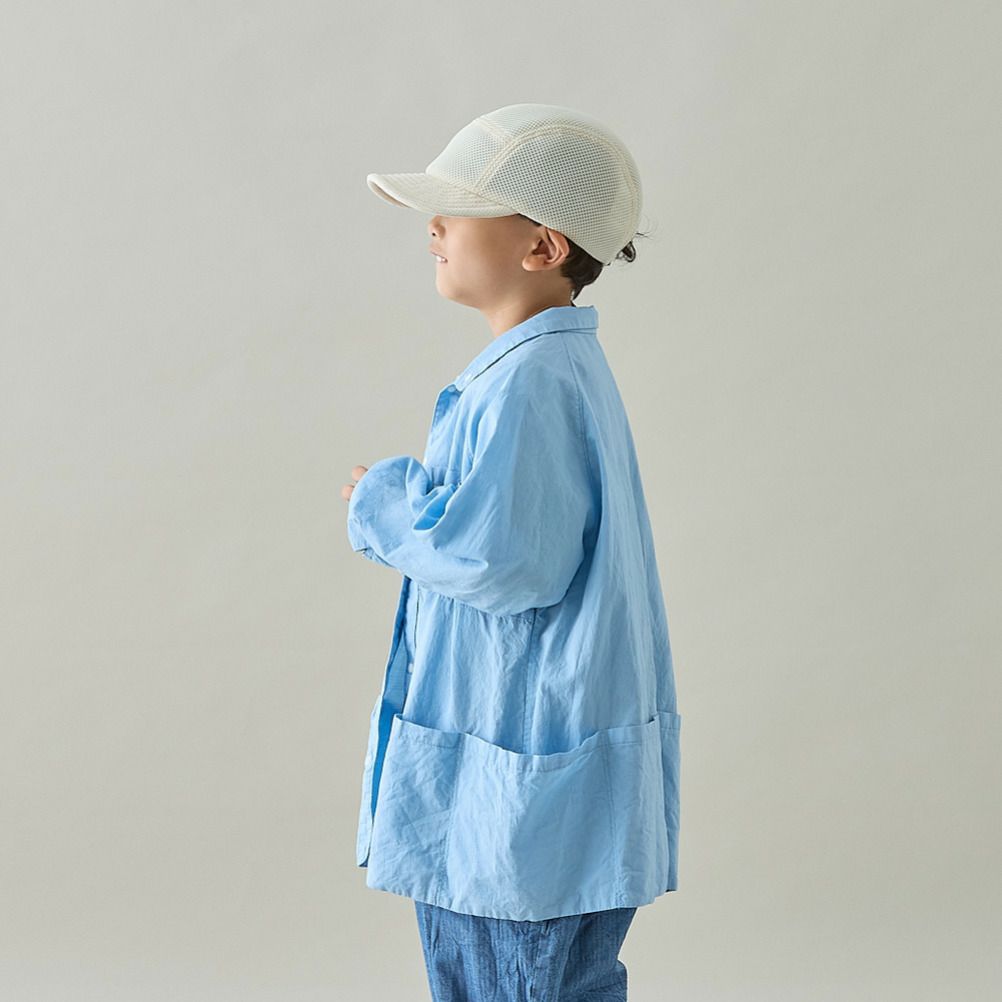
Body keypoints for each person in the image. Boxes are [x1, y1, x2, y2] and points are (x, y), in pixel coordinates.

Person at [341, 103, 682, 1002]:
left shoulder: (530, 382)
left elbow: (504, 561)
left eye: (457, 209)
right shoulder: (547, 370)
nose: (434, 227)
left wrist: (387, 504)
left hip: (520, 808)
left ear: (542, 247)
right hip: (529, 795)